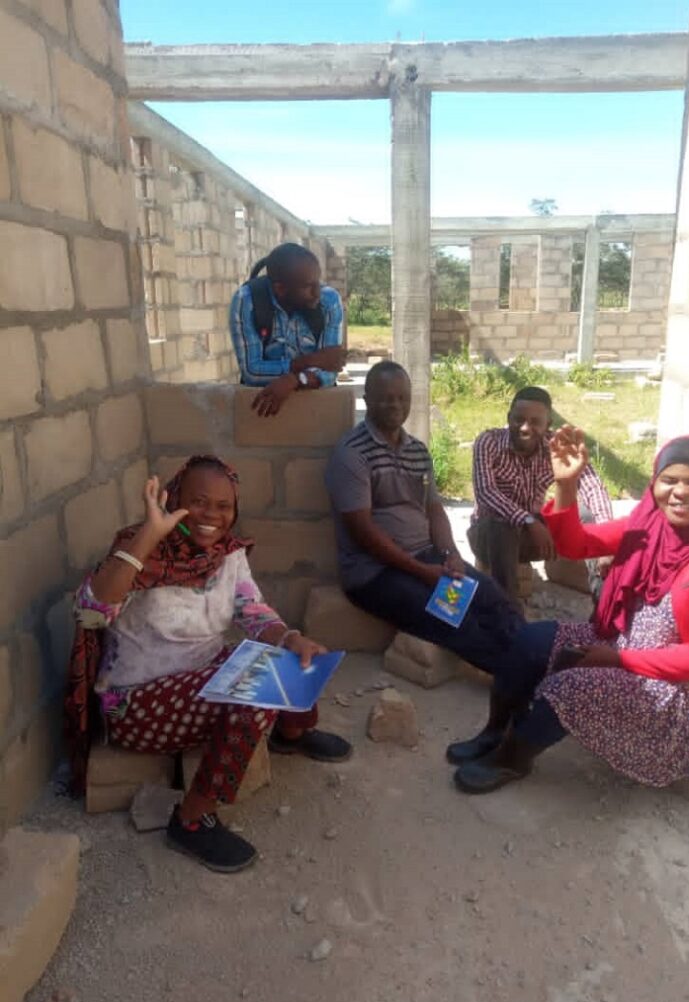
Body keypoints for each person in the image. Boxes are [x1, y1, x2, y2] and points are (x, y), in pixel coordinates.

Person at [65, 455, 352, 873]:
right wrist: (150, 534)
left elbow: (251, 609)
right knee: (256, 691)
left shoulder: (226, 553)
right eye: (199, 502)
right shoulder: (136, 549)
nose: (212, 516)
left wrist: (291, 637)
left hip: (202, 675)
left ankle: (290, 734)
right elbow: (91, 614)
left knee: (288, 657)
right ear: (174, 497)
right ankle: (192, 820)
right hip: (137, 701)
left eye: (224, 506)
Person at [449, 429, 689, 794]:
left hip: (685, 689)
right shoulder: (650, 525)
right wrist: (566, 486)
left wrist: (618, 660)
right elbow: (575, 543)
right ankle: (495, 732)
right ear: (654, 482)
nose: (680, 492)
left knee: (571, 686)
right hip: (624, 641)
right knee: (527, 641)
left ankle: (512, 760)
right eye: (669, 480)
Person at [325, 360, 525, 686]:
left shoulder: (417, 450)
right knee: (452, 618)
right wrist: (423, 573)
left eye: (402, 398)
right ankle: (520, 674)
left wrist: (450, 554)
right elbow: (362, 532)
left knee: (491, 596)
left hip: (426, 559)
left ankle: (536, 652)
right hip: (374, 574)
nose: (395, 405)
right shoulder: (351, 454)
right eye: (386, 398)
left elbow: (434, 509)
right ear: (367, 399)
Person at [469, 386, 613, 609]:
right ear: (508, 418)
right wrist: (528, 522)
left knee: (586, 514)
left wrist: (606, 538)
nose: (525, 428)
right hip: (489, 536)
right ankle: (507, 612)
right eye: (518, 419)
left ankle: (604, 603)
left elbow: (592, 486)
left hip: (537, 537)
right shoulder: (488, 442)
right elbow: (486, 493)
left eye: (535, 422)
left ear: (548, 424)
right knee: (500, 523)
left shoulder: (557, 446)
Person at [229, 242, 346, 417]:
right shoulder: (247, 301)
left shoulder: (329, 301)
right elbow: (252, 372)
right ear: (280, 289)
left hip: (316, 409)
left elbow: (330, 369)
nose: (317, 293)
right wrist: (308, 362)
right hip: (265, 410)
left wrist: (296, 380)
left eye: (318, 283)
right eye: (308, 286)